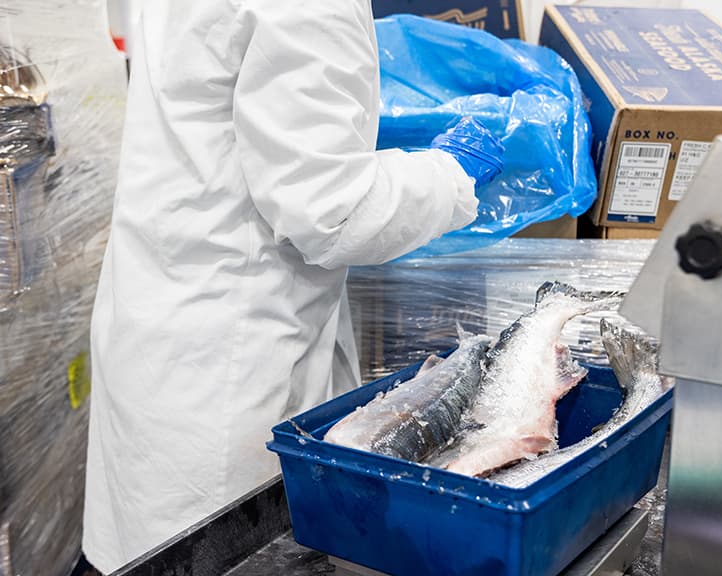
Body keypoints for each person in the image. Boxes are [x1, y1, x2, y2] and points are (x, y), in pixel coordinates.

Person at [83, 1, 504, 573]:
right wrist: (451, 174)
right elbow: (333, 212)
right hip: (230, 363)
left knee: (145, 551)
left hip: (163, 318)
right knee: (217, 551)